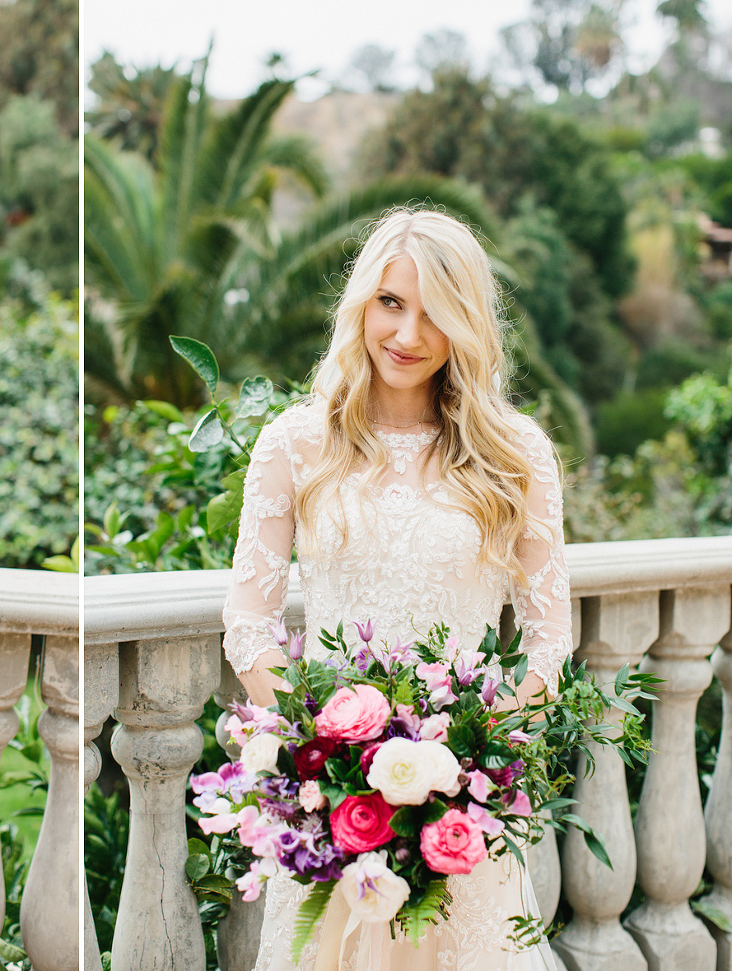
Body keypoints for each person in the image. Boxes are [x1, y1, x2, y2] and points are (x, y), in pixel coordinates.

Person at [222, 207, 570, 971]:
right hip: (336, 809)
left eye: (433, 313)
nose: (406, 334)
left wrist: (476, 755)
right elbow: (247, 620)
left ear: (465, 326)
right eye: (389, 302)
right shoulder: (294, 442)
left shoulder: (516, 454)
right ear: (359, 306)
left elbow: (550, 635)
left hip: (463, 812)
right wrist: (321, 745)